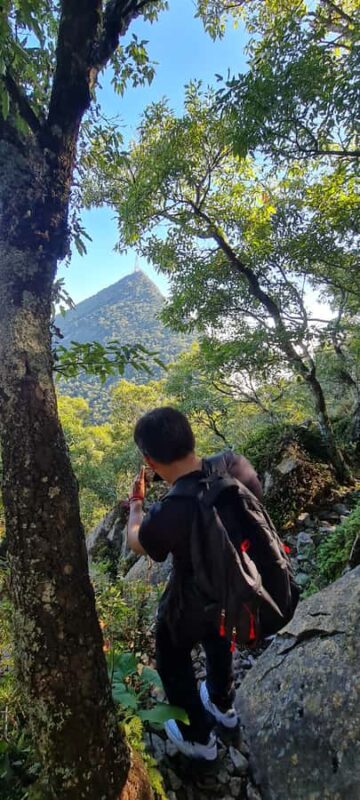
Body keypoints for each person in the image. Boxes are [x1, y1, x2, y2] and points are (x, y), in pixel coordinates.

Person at [127, 406, 263, 760]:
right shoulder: (235, 464)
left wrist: (136, 506)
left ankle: (198, 737)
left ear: (149, 460)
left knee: (171, 651)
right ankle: (221, 703)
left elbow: (138, 541)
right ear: (190, 437)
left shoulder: (172, 510)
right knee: (222, 633)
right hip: (239, 581)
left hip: (193, 596)